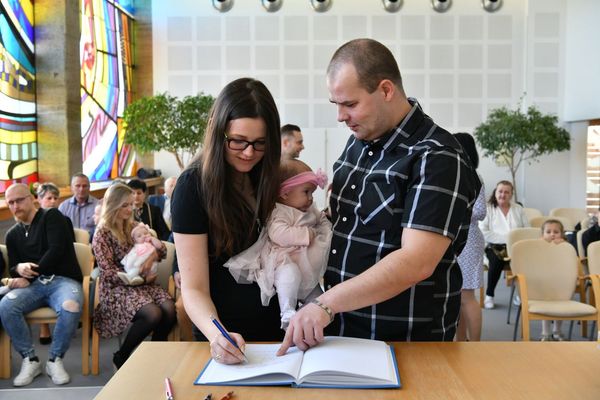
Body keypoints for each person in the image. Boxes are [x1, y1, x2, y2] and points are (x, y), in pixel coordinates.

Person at [277, 39, 480, 355]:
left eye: (350, 104)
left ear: (386, 90)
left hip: (403, 341)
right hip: (343, 328)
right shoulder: (359, 141)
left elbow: (416, 261)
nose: (340, 116)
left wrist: (326, 304)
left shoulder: (437, 156)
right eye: (336, 104)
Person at [171, 77, 283, 365]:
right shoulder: (192, 187)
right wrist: (217, 334)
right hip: (226, 336)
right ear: (217, 131)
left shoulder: (269, 175)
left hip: (280, 331)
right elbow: (193, 288)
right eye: (238, 141)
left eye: (260, 143)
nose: (249, 153)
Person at [224, 159, 332, 330]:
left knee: (318, 298)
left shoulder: (309, 209)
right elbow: (279, 234)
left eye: (312, 193)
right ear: (285, 193)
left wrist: (325, 228)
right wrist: (307, 234)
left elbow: (322, 219)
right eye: (306, 192)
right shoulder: (279, 212)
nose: (311, 198)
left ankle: (310, 317)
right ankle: (287, 311)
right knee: (289, 276)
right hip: (284, 260)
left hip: (307, 270)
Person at [0, 183, 83, 386]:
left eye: (19, 200)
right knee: (6, 305)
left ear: (32, 199)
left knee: (71, 306)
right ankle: (30, 360)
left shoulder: (51, 216)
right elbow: (13, 267)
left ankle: (55, 360)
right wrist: (19, 267)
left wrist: (29, 274)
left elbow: (55, 250)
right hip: (34, 286)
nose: (15, 206)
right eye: (11, 202)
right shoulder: (12, 234)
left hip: (63, 279)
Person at [92, 183, 176, 369]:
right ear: (113, 205)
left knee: (170, 309)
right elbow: (107, 272)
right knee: (152, 313)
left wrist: (153, 254)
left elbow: (162, 252)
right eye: (125, 205)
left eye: (131, 204)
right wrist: (134, 278)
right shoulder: (102, 233)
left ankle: (153, 352)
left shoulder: (134, 226)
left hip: (143, 284)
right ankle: (121, 355)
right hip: (117, 287)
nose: (130, 209)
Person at [453, 133, 486, 342]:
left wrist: (454, 210)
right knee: (457, 297)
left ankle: (475, 345)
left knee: (467, 297)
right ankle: (460, 343)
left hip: (469, 241)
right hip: (456, 240)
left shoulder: (474, 176)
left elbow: (480, 211)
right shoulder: (455, 172)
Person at [479, 180, 530, 309]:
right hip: (493, 246)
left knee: (526, 261)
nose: (503, 194)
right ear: (495, 192)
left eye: (506, 192)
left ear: (511, 194)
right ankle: (489, 295)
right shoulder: (488, 209)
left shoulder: (518, 209)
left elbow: (527, 229)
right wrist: (508, 238)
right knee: (496, 260)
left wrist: (513, 240)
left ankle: (521, 295)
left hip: (516, 247)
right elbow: (484, 232)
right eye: (500, 191)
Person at [540, 219, 566, 341]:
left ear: (562, 234)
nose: (552, 235)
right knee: (546, 307)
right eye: (548, 232)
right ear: (542, 235)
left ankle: (557, 331)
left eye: (556, 232)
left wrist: (563, 245)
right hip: (544, 282)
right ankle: (545, 332)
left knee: (560, 307)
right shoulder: (538, 246)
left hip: (562, 283)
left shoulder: (566, 247)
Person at [58, 173, 98, 238]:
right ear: (72, 188)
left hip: (91, 243)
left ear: (89, 188)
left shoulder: (98, 206)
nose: (81, 189)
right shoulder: (63, 207)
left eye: (84, 186)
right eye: (78, 186)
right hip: (70, 243)